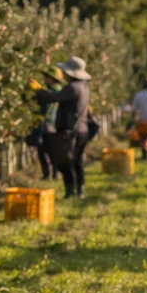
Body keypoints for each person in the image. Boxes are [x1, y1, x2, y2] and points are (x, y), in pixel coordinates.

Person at [36, 57, 92, 198]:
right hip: (82, 129)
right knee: (77, 161)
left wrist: (38, 91)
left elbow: (54, 97)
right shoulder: (84, 87)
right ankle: (80, 190)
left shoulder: (72, 88)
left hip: (71, 130)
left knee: (65, 162)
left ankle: (71, 191)